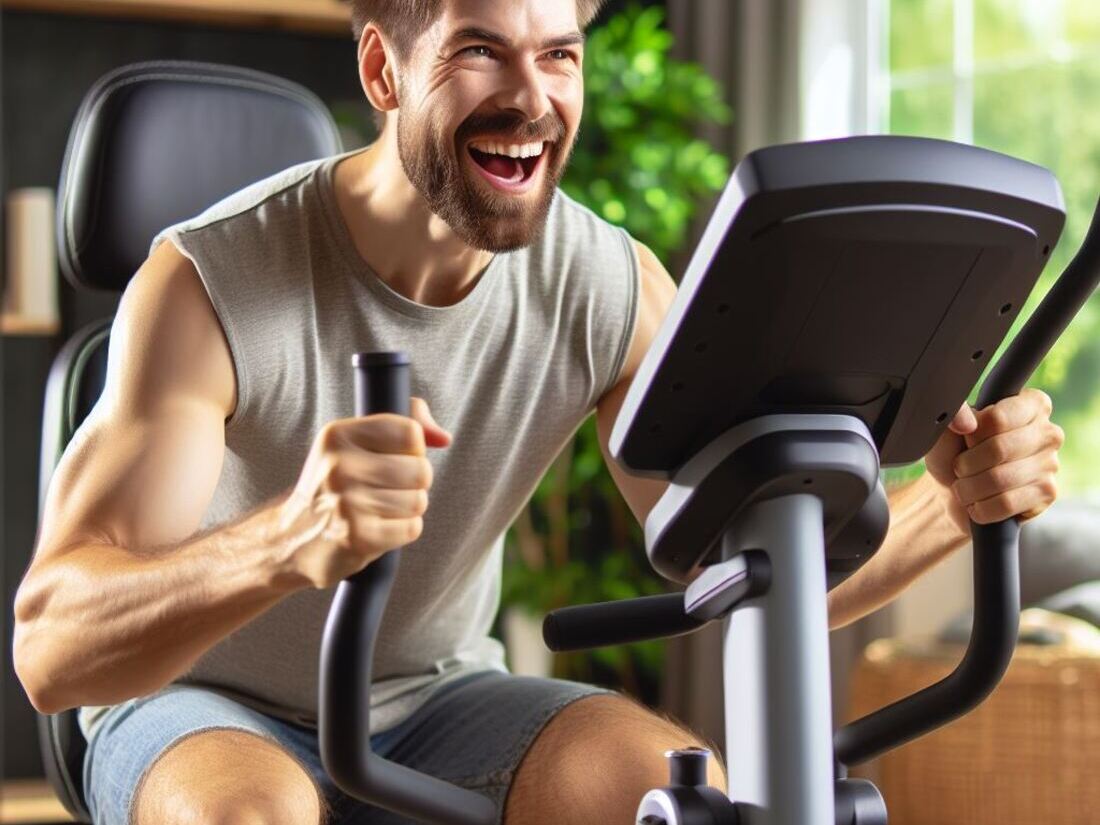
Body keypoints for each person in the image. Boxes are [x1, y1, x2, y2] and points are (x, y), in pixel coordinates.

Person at [12, 1, 1065, 823]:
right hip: (199, 703)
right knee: (255, 813)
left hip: (441, 698)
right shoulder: (207, 281)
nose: (530, 97)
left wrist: (950, 509)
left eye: (557, 54)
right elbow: (53, 652)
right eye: (479, 50)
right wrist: (286, 541)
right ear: (382, 69)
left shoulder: (604, 281)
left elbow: (753, 577)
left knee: (661, 795)